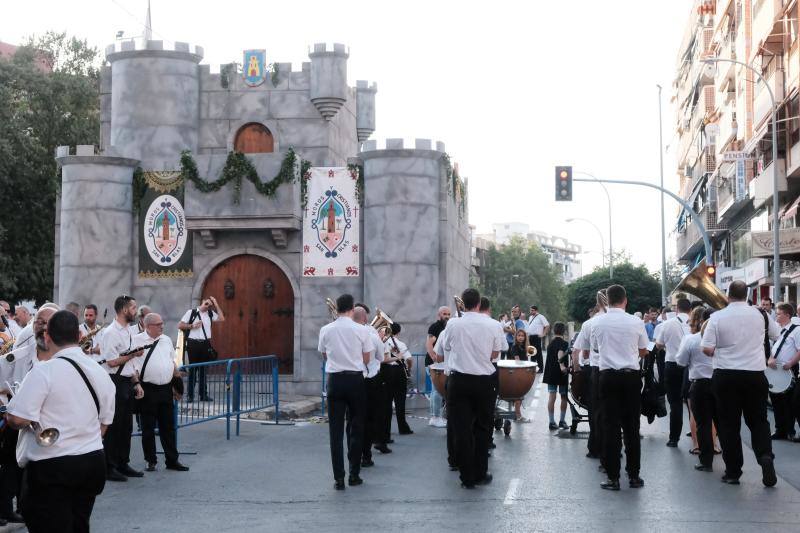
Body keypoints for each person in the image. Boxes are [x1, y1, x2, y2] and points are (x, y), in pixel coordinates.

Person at [6, 310, 115, 532]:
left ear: (47, 337)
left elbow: (17, 419)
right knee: (79, 525)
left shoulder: (43, 372)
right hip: (92, 462)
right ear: (78, 335)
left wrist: (10, 412)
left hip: (51, 467)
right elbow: (104, 424)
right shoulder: (100, 371)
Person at [701, 280, 780, 486]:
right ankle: (765, 456)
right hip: (755, 375)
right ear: (747, 295)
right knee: (759, 421)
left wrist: (725, 351)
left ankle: (733, 472)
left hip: (726, 376)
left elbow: (707, 348)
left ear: (728, 295)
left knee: (729, 425)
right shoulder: (761, 314)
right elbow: (776, 334)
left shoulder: (716, 317)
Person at [441, 288, 504, 488]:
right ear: (478, 304)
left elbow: (448, 347)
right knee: (483, 428)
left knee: (461, 429)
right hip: (484, 381)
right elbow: (495, 354)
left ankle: (466, 477)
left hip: (459, 381)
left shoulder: (452, 323)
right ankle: (480, 472)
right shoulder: (494, 325)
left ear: (464, 304)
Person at [593, 284, 649, 491]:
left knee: (610, 428)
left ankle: (613, 477)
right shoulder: (636, 321)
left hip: (607, 376)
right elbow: (644, 350)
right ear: (625, 300)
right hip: (631, 377)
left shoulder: (598, 322)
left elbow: (596, 348)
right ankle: (634, 476)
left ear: (607, 299)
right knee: (632, 428)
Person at [318, 294, 371, 490]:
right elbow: (366, 359)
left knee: (335, 431)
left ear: (337, 308)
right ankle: (354, 474)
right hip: (355, 380)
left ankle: (338, 478)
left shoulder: (326, 329)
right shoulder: (361, 330)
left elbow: (324, 354)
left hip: (335, 380)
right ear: (351, 309)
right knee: (356, 428)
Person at [132, 313, 189, 473]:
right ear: (148, 326)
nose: (162, 326)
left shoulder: (165, 340)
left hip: (165, 389)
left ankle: (172, 460)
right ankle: (151, 461)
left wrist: (176, 386)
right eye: (158, 324)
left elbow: (171, 363)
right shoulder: (137, 341)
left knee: (168, 427)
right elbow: (133, 367)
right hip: (147, 389)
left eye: (162, 323)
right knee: (148, 428)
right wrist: (137, 385)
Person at [99, 295, 146, 482]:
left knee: (126, 426)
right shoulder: (110, 332)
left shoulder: (128, 331)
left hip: (127, 381)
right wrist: (133, 354)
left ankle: (122, 462)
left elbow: (129, 361)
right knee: (114, 425)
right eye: (133, 308)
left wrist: (136, 382)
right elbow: (111, 362)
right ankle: (109, 466)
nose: (136, 311)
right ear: (124, 310)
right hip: (114, 381)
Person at [676, 306, 718, 471]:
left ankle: (706, 461)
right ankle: (732, 468)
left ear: (701, 320)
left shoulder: (691, 339)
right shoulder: (726, 339)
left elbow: (680, 362)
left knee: (703, 423)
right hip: (722, 383)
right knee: (726, 424)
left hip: (700, 384)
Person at [351, 305, 388, 463]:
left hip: (352, 378)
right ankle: (366, 455)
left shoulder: (345, 333)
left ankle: (354, 455)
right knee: (369, 419)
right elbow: (381, 357)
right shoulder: (372, 335)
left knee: (353, 419)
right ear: (365, 318)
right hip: (371, 380)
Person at [655, 297, 691, 447]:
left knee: (675, 403)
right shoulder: (696, 323)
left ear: (677, 309)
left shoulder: (667, 324)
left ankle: (674, 438)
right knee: (692, 402)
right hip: (690, 366)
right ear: (690, 310)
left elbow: (659, 344)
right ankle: (696, 433)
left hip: (672, 365)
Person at [576, 293, 607, 463]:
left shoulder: (589, 324)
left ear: (597, 304)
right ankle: (614, 449)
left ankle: (595, 448)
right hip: (624, 372)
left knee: (596, 412)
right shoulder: (632, 321)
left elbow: (584, 352)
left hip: (597, 371)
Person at [178, 296, 225, 402]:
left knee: (203, 370)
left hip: (205, 344)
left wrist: (216, 304)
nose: (208, 306)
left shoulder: (210, 313)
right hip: (193, 343)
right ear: (202, 302)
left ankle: (203, 395)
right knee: (193, 370)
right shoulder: (191, 312)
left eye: (210, 304)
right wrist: (192, 326)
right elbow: (180, 325)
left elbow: (222, 318)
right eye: (206, 303)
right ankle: (190, 396)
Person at [766, 302, 800, 440]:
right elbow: (772, 348)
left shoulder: (797, 330)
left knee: (789, 402)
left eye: (779, 314)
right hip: (775, 370)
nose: (776, 316)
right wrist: (770, 359)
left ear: (787, 315)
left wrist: (791, 362)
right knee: (776, 402)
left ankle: (790, 430)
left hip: (789, 369)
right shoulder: (778, 329)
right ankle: (780, 429)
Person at [380, 322, 413, 440]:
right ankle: (403, 427)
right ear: (398, 332)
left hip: (386, 371)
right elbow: (409, 359)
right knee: (400, 400)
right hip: (399, 371)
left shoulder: (383, 341)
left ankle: (385, 433)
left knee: (386, 402)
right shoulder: (400, 344)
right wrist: (408, 368)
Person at [425, 306, 450, 428]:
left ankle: (434, 416)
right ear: (439, 315)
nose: (447, 316)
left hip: (440, 364)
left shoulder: (447, 327)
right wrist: (434, 358)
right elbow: (429, 343)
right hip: (434, 364)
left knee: (436, 390)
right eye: (444, 313)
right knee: (437, 390)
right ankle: (435, 417)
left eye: (448, 314)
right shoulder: (435, 327)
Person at [543, 322, 570, 430]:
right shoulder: (564, 343)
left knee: (552, 397)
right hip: (561, 373)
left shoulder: (550, 344)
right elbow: (560, 353)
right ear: (564, 331)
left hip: (551, 374)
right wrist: (562, 366)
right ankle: (562, 421)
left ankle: (551, 421)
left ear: (554, 331)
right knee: (563, 397)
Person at [506, 329, 529, 421]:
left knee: (520, 395)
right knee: (519, 395)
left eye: (522, 336)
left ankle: (517, 414)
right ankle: (518, 415)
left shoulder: (524, 347)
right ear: (516, 337)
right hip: (515, 372)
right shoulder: (515, 347)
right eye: (519, 335)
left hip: (521, 372)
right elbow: (517, 360)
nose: (521, 337)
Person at [527, 305, 549, 372]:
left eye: (532, 310)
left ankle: (540, 368)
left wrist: (543, 334)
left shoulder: (541, 317)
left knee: (538, 353)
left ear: (536, 310)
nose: (531, 311)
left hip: (537, 337)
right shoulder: (530, 317)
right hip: (530, 337)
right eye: (530, 310)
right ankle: (533, 368)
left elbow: (547, 325)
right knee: (531, 353)